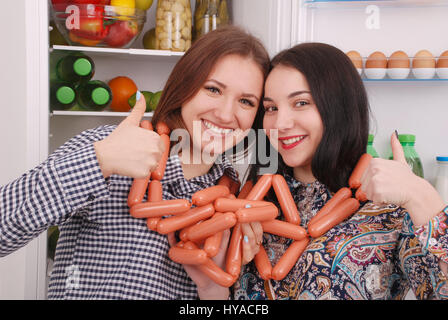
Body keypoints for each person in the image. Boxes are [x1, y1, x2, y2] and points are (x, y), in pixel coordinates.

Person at [0, 26, 270, 300]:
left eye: (246, 101)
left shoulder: (237, 201)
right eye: (213, 89)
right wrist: (99, 161)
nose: (226, 114)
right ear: (185, 86)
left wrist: (215, 288)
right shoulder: (107, 145)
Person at [197, 42, 448, 300]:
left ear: (339, 107)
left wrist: (421, 195)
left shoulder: (391, 209)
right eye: (271, 108)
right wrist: (211, 288)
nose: (280, 123)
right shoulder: (247, 202)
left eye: (301, 102)